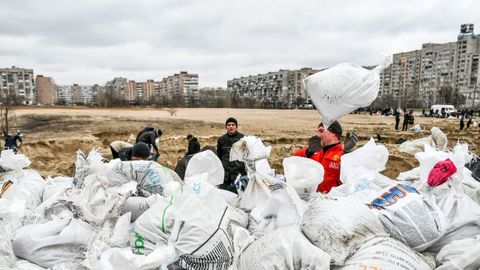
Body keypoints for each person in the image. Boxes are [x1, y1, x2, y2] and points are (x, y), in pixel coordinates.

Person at [293, 121, 358, 193]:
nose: (318, 134)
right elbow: (293, 160)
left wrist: (347, 153)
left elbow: (351, 176)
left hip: (331, 200)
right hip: (311, 198)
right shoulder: (314, 150)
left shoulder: (342, 153)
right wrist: (308, 151)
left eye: (321, 131)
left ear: (333, 133)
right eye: (317, 131)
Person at [217, 117, 246, 193]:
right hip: (225, 174)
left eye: (233, 125)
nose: (231, 126)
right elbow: (219, 156)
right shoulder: (221, 139)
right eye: (229, 125)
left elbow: (246, 155)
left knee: (240, 195)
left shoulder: (243, 138)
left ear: (236, 127)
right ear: (226, 127)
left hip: (239, 173)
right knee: (223, 194)